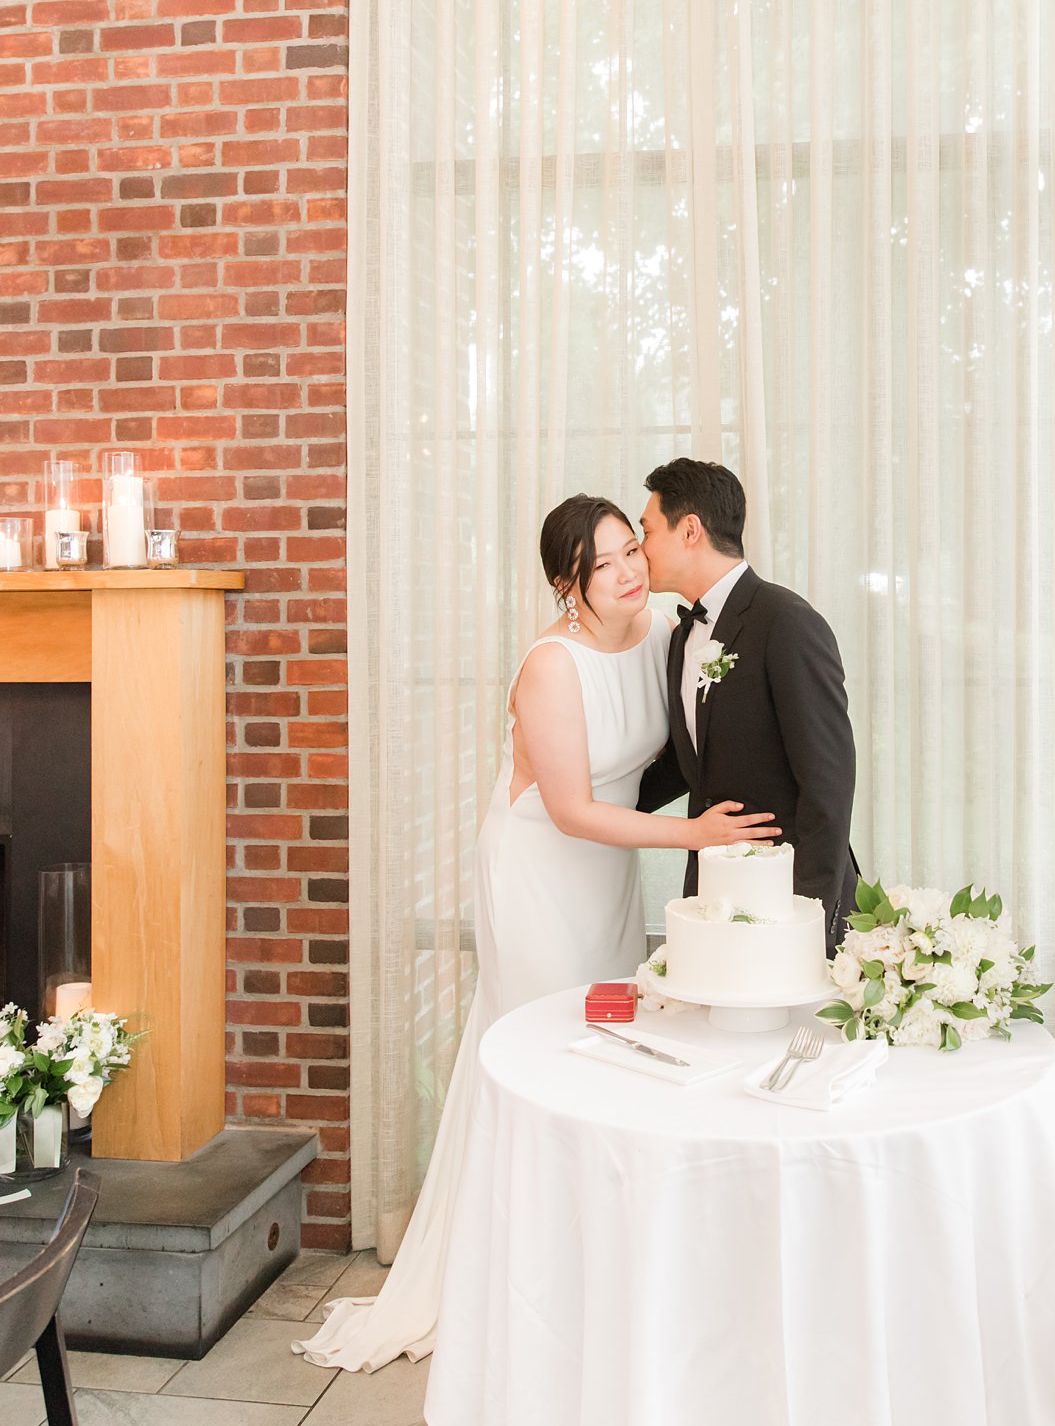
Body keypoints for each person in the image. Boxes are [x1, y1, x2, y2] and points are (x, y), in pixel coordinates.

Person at [294, 493, 775, 1374]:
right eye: (606, 563)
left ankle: (590, 1263)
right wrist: (697, 834)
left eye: (635, 549)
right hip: (540, 866)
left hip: (608, 872)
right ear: (567, 584)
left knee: (611, 1051)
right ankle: (511, 1275)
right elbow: (571, 808)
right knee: (543, 1054)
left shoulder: (667, 630)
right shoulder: (551, 665)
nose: (631, 570)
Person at [637, 459, 857, 950]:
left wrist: (810, 915)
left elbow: (829, 782)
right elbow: (689, 760)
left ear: (689, 529)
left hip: (790, 894)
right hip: (712, 892)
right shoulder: (681, 638)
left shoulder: (787, 623)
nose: (641, 548)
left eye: (647, 530)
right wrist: (602, 807)